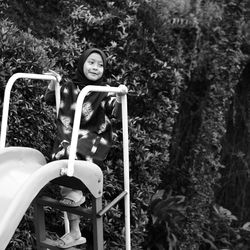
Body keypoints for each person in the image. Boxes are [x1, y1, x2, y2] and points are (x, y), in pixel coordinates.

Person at [44, 48, 122, 248]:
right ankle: (75, 230)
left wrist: (120, 96)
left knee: (70, 153)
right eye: (91, 62)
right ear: (82, 63)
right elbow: (51, 100)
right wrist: (54, 83)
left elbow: (115, 110)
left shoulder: (104, 91)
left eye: (100, 64)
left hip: (93, 138)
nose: (96, 68)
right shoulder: (70, 86)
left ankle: (76, 195)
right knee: (62, 157)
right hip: (69, 139)